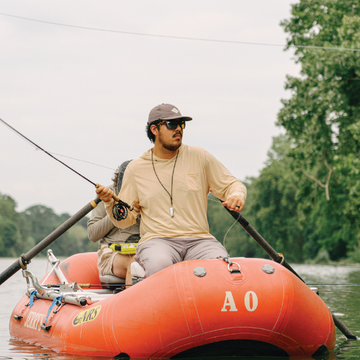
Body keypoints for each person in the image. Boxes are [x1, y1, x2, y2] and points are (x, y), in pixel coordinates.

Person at [96, 103, 247, 278]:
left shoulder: (200, 156)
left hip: (200, 240)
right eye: (171, 124)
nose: (178, 129)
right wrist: (110, 202)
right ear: (154, 129)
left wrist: (236, 195)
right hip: (157, 241)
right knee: (160, 267)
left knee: (220, 269)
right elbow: (125, 221)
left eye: (181, 124)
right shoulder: (135, 168)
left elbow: (232, 185)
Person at [88, 160, 140, 286]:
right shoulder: (107, 193)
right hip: (112, 252)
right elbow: (93, 234)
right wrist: (116, 211)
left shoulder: (148, 194)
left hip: (144, 248)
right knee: (134, 263)